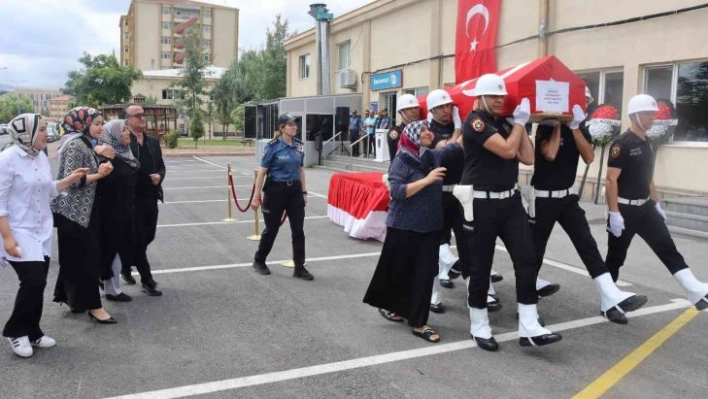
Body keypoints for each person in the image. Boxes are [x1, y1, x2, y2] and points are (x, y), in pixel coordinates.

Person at [458, 74, 561, 352]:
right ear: (480, 97)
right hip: (481, 202)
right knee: (480, 267)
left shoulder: (505, 121)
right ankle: (478, 325)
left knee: (527, 259)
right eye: (493, 96)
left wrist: (522, 124)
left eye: (501, 95)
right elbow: (505, 151)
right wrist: (518, 123)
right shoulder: (475, 122)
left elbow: (527, 158)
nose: (499, 99)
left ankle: (529, 324)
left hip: (510, 201)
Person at [530, 97, 648, 324]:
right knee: (535, 251)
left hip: (567, 198)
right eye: (581, 101)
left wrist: (574, 128)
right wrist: (559, 125)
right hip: (543, 198)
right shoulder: (545, 125)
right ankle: (527, 307)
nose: (584, 106)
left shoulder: (581, 127)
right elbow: (550, 154)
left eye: (586, 103)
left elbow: (589, 156)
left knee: (588, 246)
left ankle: (609, 298)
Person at [605, 94, 708, 310]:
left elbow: (648, 176)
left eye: (653, 114)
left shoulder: (648, 142)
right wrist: (614, 213)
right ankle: (609, 300)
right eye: (648, 114)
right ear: (635, 116)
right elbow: (611, 179)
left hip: (646, 208)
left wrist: (656, 201)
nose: (653, 118)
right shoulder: (621, 144)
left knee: (667, 248)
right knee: (615, 258)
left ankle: (695, 290)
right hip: (624, 210)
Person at [0, 114, 88, 357]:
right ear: (25, 133)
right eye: (40, 130)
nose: (45, 133)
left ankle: (33, 331)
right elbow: (0, 203)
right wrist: (7, 238)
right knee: (33, 280)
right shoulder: (7, 159)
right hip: (17, 230)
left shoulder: (39, 156)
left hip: (41, 230)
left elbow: (49, 189)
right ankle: (15, 331)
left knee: (39, 283)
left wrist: (71, 179)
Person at [363, 120, 446, 343]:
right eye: (424, 131)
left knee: (424, 272)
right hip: (403, 226)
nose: (429, 133)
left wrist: (460, 124)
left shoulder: (430, 156)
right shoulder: (401, 160)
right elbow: (397, 192)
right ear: (411, 136)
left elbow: (454, 148)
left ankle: (411, 317)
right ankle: (409, 316)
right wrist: (427, 180)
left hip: (429, 226)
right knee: (402, 270)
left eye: (429, 130)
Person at [51, 107, 116, 324]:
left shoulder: (84, 142)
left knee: (73, 258)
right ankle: (94, 307)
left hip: (85, 211)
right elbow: (74, 182)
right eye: (97, 123)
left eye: (101, 123)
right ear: (82, 123)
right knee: (88, 259)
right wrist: (100, 173)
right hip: (75, 213)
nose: (100, 127)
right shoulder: (75, 145)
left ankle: (70, 297)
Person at [250, 113, 313, 281]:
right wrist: (256, 197)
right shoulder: (273, 147)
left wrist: (304, 192)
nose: (294, 127)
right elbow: (262, 172)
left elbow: (300, 169)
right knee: (272, 229)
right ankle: (259, 260)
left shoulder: (299, 146)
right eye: (290, 124)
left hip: (295, 192)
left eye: (295, 124)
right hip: (276, 191)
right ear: (281, 128)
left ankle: (299, 267)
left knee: (298, 230)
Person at [121, 104, 164, 297]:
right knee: (138, 240)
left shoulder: (153, 142)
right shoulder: (123, 142)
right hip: (131, 200)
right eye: (137, 115)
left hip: (151, 197)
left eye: (143, 115)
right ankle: (147, 280)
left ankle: (125, 263)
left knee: (148, 236)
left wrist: (160, 177)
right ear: (127, 120)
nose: (142, 118)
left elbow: (161, 166)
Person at [96, 120, 139, 303]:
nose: (128, 133)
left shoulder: (123, 154)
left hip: (124, 212)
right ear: (113, 135)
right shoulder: (107, 159)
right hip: (111, 215)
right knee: (111, 252)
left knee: (118, 252)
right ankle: (111, 290)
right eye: (123, 130)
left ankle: (111, 287)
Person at [386, 94, 420, 162]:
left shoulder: (422, 129)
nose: (414, 111)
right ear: (400, 112)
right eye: (409, 108)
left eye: (416, 107)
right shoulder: (396, 131)